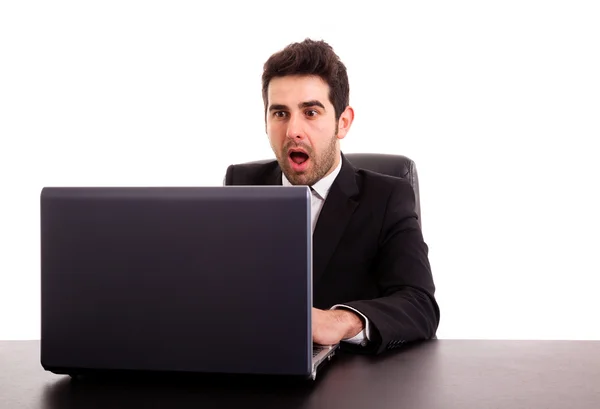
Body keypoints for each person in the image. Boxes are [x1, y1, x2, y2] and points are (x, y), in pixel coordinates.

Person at [224, 38, 439, 355]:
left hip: (349, 383)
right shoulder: (241, 184)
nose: (293, 130)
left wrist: (340, 321)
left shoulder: (387, 197)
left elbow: (419, 304)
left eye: (311, 112)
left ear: (343, 122)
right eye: (280, 113)